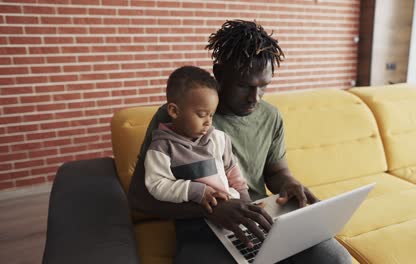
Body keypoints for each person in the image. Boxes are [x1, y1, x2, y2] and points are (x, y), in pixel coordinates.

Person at [128, 20, 352, 263]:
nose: (254, 98)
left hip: (261, 217)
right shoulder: (180, 116)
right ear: (219, 73)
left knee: (335, 259)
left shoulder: (271, 116)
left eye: (263, 86)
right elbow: (140, 197)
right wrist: (212, 208)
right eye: (244, 85)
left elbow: (275, 171)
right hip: (201, 226)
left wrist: (289, 184)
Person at [144, 66, 250, 214]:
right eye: (202, 114)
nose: (208, 122)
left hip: (232, 209)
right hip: (194, 217)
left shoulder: (218, 138)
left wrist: (246, 203)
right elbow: (157, 184)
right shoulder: (162, 147)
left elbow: (233, 172)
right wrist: (195, 191)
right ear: (174, 111)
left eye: (211, 115)